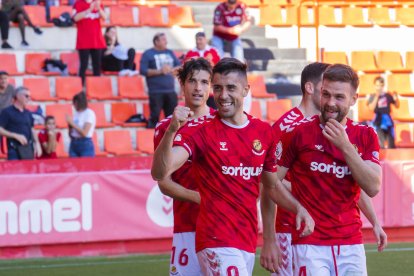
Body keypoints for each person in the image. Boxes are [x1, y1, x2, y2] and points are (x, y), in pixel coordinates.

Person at [152, 58, 315, 275]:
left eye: (230, 88)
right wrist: (173, 130)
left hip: (245, 238)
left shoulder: (263, 132)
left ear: (246, 90)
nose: (223, 95)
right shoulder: (199, 130)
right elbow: (160, 174)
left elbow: (272, 186)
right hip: (211, 235)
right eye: (218, 88)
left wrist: (298, 209)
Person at [261, 63, 387, 276]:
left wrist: (345, 146)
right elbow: (270, 184)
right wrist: (296, 209)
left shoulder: (365, 135)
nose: (330, 103)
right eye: (326, 94)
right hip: (309, 244)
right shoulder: (298, 133)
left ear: (353, 99)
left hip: (351, 244)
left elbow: (372, 186)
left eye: (339, 97)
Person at [154, 58, 216, 276]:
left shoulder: (223, 123)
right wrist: (199, 197)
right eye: (192, 81)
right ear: (182, 84)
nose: (198, 88)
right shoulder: (165, 127)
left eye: (204, 82)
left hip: (222, 228)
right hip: (187, 228)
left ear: (211, 86)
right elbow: (163, 181)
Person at [140, 33, 180, 129]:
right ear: (156, 42)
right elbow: (143, 70)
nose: (166, 41)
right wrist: (160, 71)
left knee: (172, 119)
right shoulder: (148, 53)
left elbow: (179, 66)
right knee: (154, 117)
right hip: (156, 92)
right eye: (163, 39)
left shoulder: (170, 52)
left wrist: (171, 70)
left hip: (170, 91)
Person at [0, 86, 42, 160]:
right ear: (18, 96)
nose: (29, 98)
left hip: (27, 149)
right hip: (14, 149)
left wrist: (37, 144)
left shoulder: (28, 113)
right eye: (26, 96)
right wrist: (15, 135)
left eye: (29, 96)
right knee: (15, 171)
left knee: (29, 170)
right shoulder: (7, 112)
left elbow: (32, 129)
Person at [72, 0, 106, 84]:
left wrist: (98, 8)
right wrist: (88, 10)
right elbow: (75, 18)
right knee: (84, 65)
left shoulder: (98, 3)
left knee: (97, 66)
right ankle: (81, 88)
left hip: (97, 40)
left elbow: (105, 17)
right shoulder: (78, 3)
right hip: (84, 41)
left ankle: (96, 88)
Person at [367, 76, 400, 149]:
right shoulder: (372, 96)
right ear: (374, 86)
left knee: (391, 144)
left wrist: (396, 99)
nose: (379, 87)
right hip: (378, 121)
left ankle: (391, 157)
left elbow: (397, 105)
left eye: (381, 86)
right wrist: (377, 96)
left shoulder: (388, 95)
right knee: (380, 145)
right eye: (377, 85)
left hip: (388, 121)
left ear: (383, 86)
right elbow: (371, 108)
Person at [66, 92, 96, 157]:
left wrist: (72, 123)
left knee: (86, 166)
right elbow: (71, 133)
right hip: (74, 142)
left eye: (75, 103)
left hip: (85, 143)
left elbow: (84, 133)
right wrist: (70, 126)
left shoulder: (89, 113)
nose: (74, 105)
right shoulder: (76, 114)